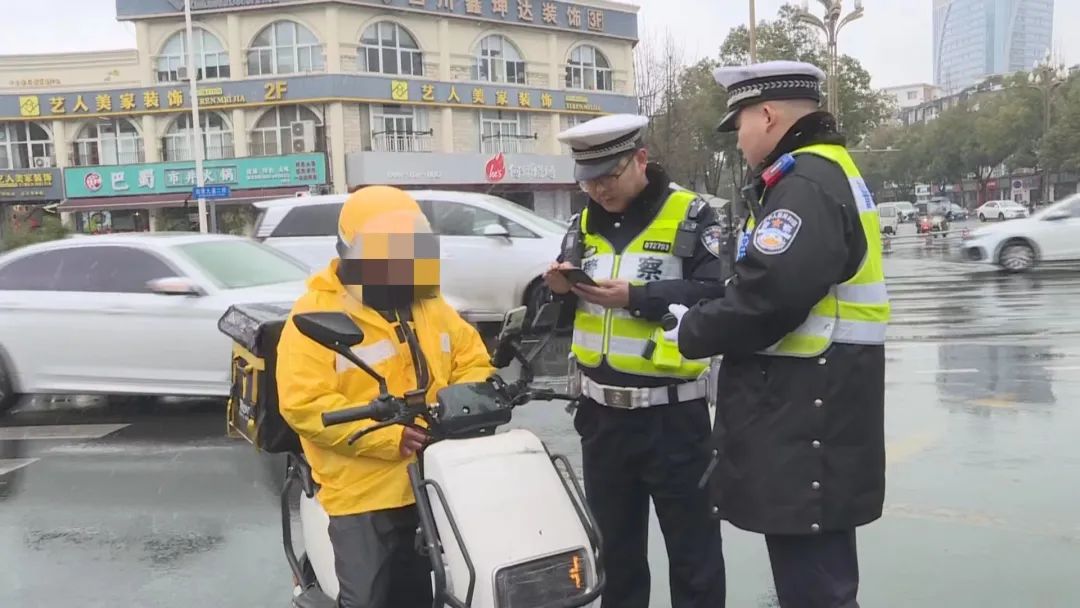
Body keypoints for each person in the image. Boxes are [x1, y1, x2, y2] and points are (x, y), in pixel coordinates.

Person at [664, 61, 890, 608]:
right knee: (819, 587)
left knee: (814, 592)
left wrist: (692, 329)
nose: (737, 140)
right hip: (814, 418)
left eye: (738, 123)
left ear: (767, 115)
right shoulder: (824, 175)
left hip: (805, 420)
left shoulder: (806, 185)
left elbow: (768, 297)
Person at [276, 186, 495, 608]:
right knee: (370, 600)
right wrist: (388, 437)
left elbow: (472, 356)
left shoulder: (426, 303)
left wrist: (463, 400)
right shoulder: (312, 317)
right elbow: (303, 405)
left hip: (438, 475)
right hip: (363, 491)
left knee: (460, 586)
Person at [544, 113, 728, 608]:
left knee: (695, 559)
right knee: (617, 559)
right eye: (588, 180)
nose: (598, 190)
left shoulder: (692, 215)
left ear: (640, 159)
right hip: (602, 418)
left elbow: (717, 294)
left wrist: (638, 296)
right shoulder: (580, 224)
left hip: (674, 418)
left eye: (608, 176)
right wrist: (559, 289)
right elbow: (565, 314)